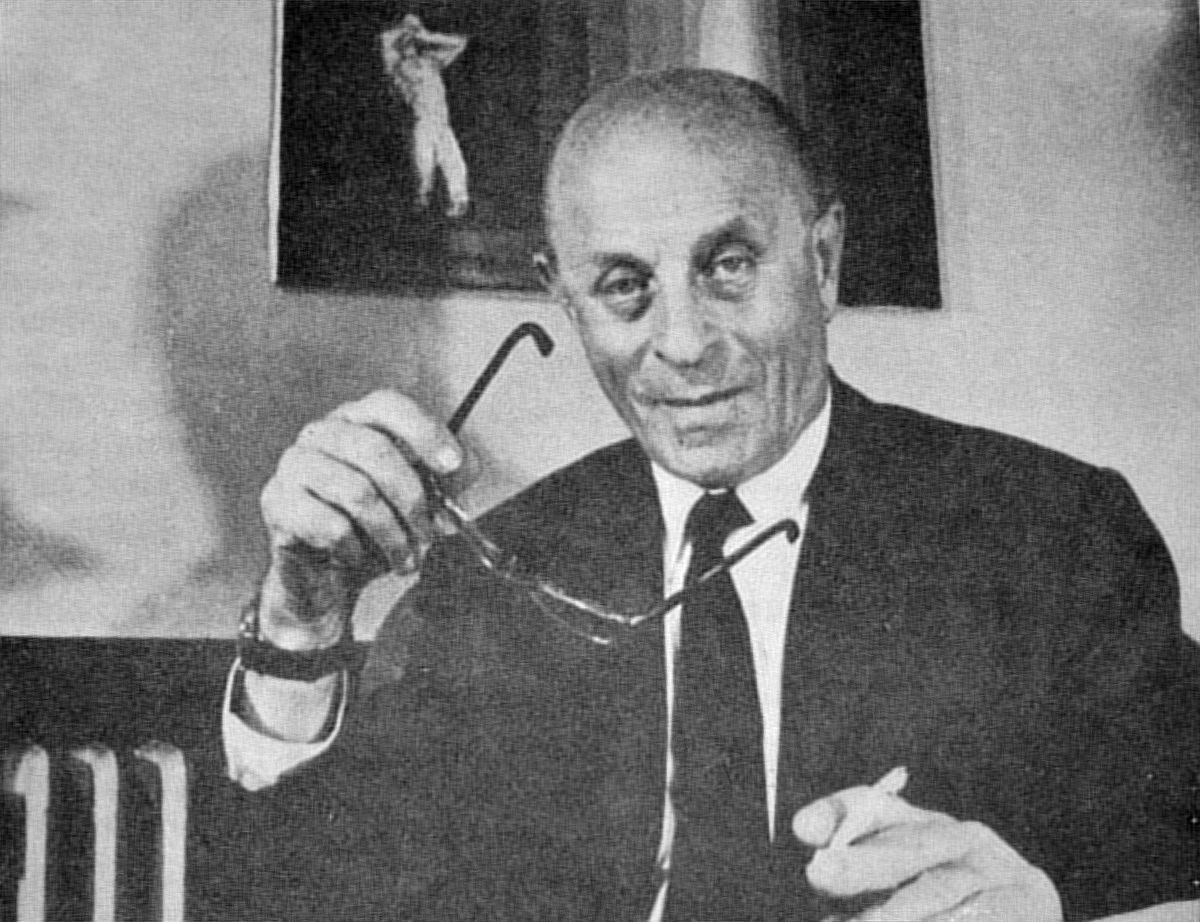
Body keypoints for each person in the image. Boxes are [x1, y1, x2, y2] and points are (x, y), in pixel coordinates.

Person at [206, 70, 1199, 921]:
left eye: (728, 266)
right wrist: (301, 620)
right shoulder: (493, 581)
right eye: (623, 286)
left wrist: (1045, 911)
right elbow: (326, 891)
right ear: (562, 297)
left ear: (822, 261)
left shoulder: (1054, 535)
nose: (682, 344)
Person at [379, 13, 470, 218]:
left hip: (442, 122)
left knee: (453, 161)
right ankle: (421, 204)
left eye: (414, 38)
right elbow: (386, 40)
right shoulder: (398, 68)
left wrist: (427, 36)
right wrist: (405, 30)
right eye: (408, 39)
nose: (412, 43)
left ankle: (457, 202)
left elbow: (460, 43)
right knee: (423, 165)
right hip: (423, 121)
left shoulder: (430, 61)